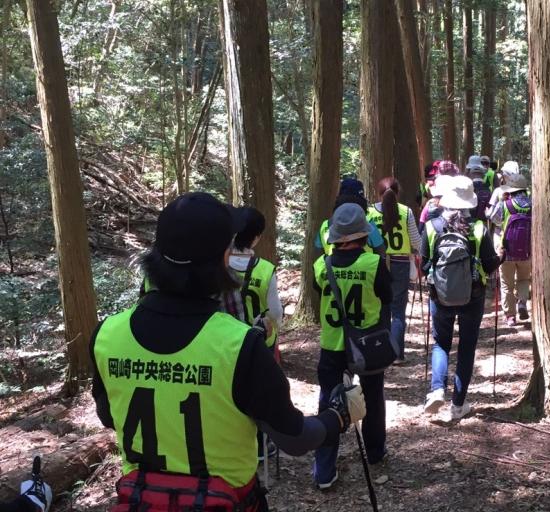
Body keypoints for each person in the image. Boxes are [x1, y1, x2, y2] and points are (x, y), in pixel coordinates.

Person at [90, 192, 365, 511]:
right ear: (222, 260)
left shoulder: (106, 334)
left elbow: (109, 416)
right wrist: (339, 416)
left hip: (142, 501)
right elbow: (294, 439)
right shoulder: (239, 344)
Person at [313, 203, 392, 490]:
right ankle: (375, 451)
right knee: (373, 398)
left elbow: (316, 291)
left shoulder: (323, 265)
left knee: (328, 403)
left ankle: (324, 471)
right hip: (366, 344)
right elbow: (386, 296)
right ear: (363, 234)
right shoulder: (373, 264)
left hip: (332, 345)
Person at [420, 176, 501, 420]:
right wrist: (501, 257)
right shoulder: (478, 229)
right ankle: (458, 405)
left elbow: (425, 265)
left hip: (440, 296)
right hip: (472, 296)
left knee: (441, 343)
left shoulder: (432, 227)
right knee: (466, 347)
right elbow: (488, 267)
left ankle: (436, 390)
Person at [220, 207, 283, 461]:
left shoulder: (219, 266)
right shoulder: (265, 268)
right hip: (260, 342)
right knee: (260, 392)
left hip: (225, 341)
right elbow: (276, 313)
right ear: (256, 237)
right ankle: (260, 444)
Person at [367, 177, 421, 361]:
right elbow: (416, 240)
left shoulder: (369, 212)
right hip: (401, 263)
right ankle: (397, 354)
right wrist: (420, 252)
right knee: (398, 311)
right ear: (397, 193)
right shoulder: (406, 212)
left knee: (380, 308)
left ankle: (381, 353)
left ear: (378, 193)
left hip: (376, 264)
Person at [489, 172, 532, 326]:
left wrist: (501, 201)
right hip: (527, 251)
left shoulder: (506, 204)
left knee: (507, 284)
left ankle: (510, 316)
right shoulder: (532, 204)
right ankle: (522, 302)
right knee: (524, 279)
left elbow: (493, 218)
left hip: (506, 251)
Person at [315, 178, 386, 257]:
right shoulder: (368, 224)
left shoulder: (324, 225)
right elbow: (381, 252)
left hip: (330, 268)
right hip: (366, 268)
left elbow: (318, 257)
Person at [466, 156, 492, 221]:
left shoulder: (467, 187)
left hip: (469, 220)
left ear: (470, 174)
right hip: (483, 221)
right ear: (483, 175)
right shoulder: (487, 188)